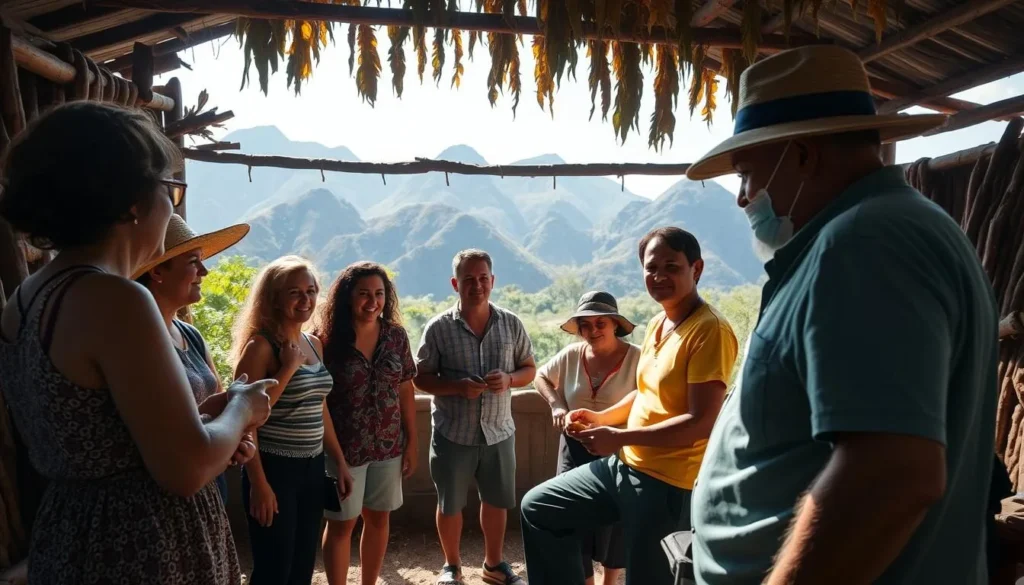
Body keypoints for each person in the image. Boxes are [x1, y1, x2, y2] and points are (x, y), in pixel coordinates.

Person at [684, 45, 997, 585]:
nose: (742, 198)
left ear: (803, 155)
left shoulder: (867, 243)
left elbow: (891, 476)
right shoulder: (875, 233)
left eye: (747, 173)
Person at [0, 102, 272, 584]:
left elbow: (101, 433)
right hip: (143, 544)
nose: (172, 204)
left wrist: (204, 419)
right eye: (169, 188)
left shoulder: (30, 296)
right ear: (130, 201)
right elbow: (186, 469)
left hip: (71, 535)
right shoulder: (116, 299)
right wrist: (241, 409)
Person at [521, 227, 738, 585]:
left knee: (647, 577)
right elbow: (644, 391)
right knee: (540, 508)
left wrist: (619, 438)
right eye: (652, 268)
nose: (660, 276)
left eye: (672, 267)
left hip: (667, 482)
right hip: (624, 466)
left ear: (695, 269)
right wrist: (602, 418)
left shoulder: (709, 331)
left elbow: (702, 421)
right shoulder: (658, 323)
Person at [414, 249, 536, 585]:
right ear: (456, 283)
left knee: (497, 502)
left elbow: (529, 369)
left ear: (493, 281)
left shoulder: (511, 323)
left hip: (499, 431)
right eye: (469, 279)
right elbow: (420, 378)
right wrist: (456, 387)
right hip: (454, 432)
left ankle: (493, 565)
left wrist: (510, 379)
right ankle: (451, 568)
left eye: (483, 278)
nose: (477, 285)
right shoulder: (438, 328)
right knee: (450, 503)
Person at [231, 255, 353, 585]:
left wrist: (338, 461)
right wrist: (258, 484)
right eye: (294, 292)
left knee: (301, 568)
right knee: (274, 569)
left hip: (312, 469)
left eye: (311, 291)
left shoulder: (313, 343)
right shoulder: (260, 347)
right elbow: (243, 419)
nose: (306, 300)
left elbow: (320, 407)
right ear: (274, 297)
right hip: (273, 469)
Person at [135, 213, 251, 504]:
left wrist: (236, 439)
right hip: (167, 491)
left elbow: (218, 398)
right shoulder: (138, 340)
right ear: (158, 272)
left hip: (212, 476)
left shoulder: (191, 335)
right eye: (193, 262)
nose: (205, 271)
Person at [316, 262, 418, 585]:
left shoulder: (396, 337)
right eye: (364, 294)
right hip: (344, 451)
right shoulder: (328, 342)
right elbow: (320, 401)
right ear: (347, 297)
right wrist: (336, 458)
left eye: (379, 294)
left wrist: (411, 441)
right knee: (342, 524)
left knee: (378, 519)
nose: (372, 302)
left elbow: (405, 388)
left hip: (388, 446)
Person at [533, 291, 640, 585]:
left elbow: (647, 395)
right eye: (586, 325)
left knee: (615, 520)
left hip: (619, 450)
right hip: (573, 450)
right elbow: (540, 376)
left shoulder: (638, 358)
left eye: (600, 323)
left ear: (616, 324)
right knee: (573, 519)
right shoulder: (570, 356)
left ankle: (610, 580)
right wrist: (557, 405)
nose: (593, 331)